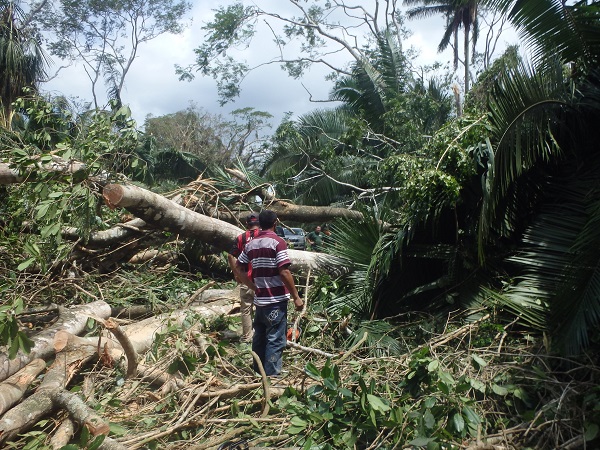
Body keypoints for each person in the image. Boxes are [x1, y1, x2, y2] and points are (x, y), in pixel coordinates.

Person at [236, 210, 304, 376]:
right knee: (275, 339)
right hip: (275, 301)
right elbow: (284, 272)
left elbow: (239, 268)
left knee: (259, 336)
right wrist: (296, 297)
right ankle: (272, 377)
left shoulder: (251, 244)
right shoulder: (277, 242)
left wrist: (252, 287)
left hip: (260, 300)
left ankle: (257, 371)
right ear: (275, 222)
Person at [227, 213, 260, 343]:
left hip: (246, 277)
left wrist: (236, 273)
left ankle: (247, 337)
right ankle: (261, 336)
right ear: (260, 223)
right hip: (262, 279)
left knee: (246, 308)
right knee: (262, 307)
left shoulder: (241, 238)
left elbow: (231, 255)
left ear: (247, 225)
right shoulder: (265, 236)